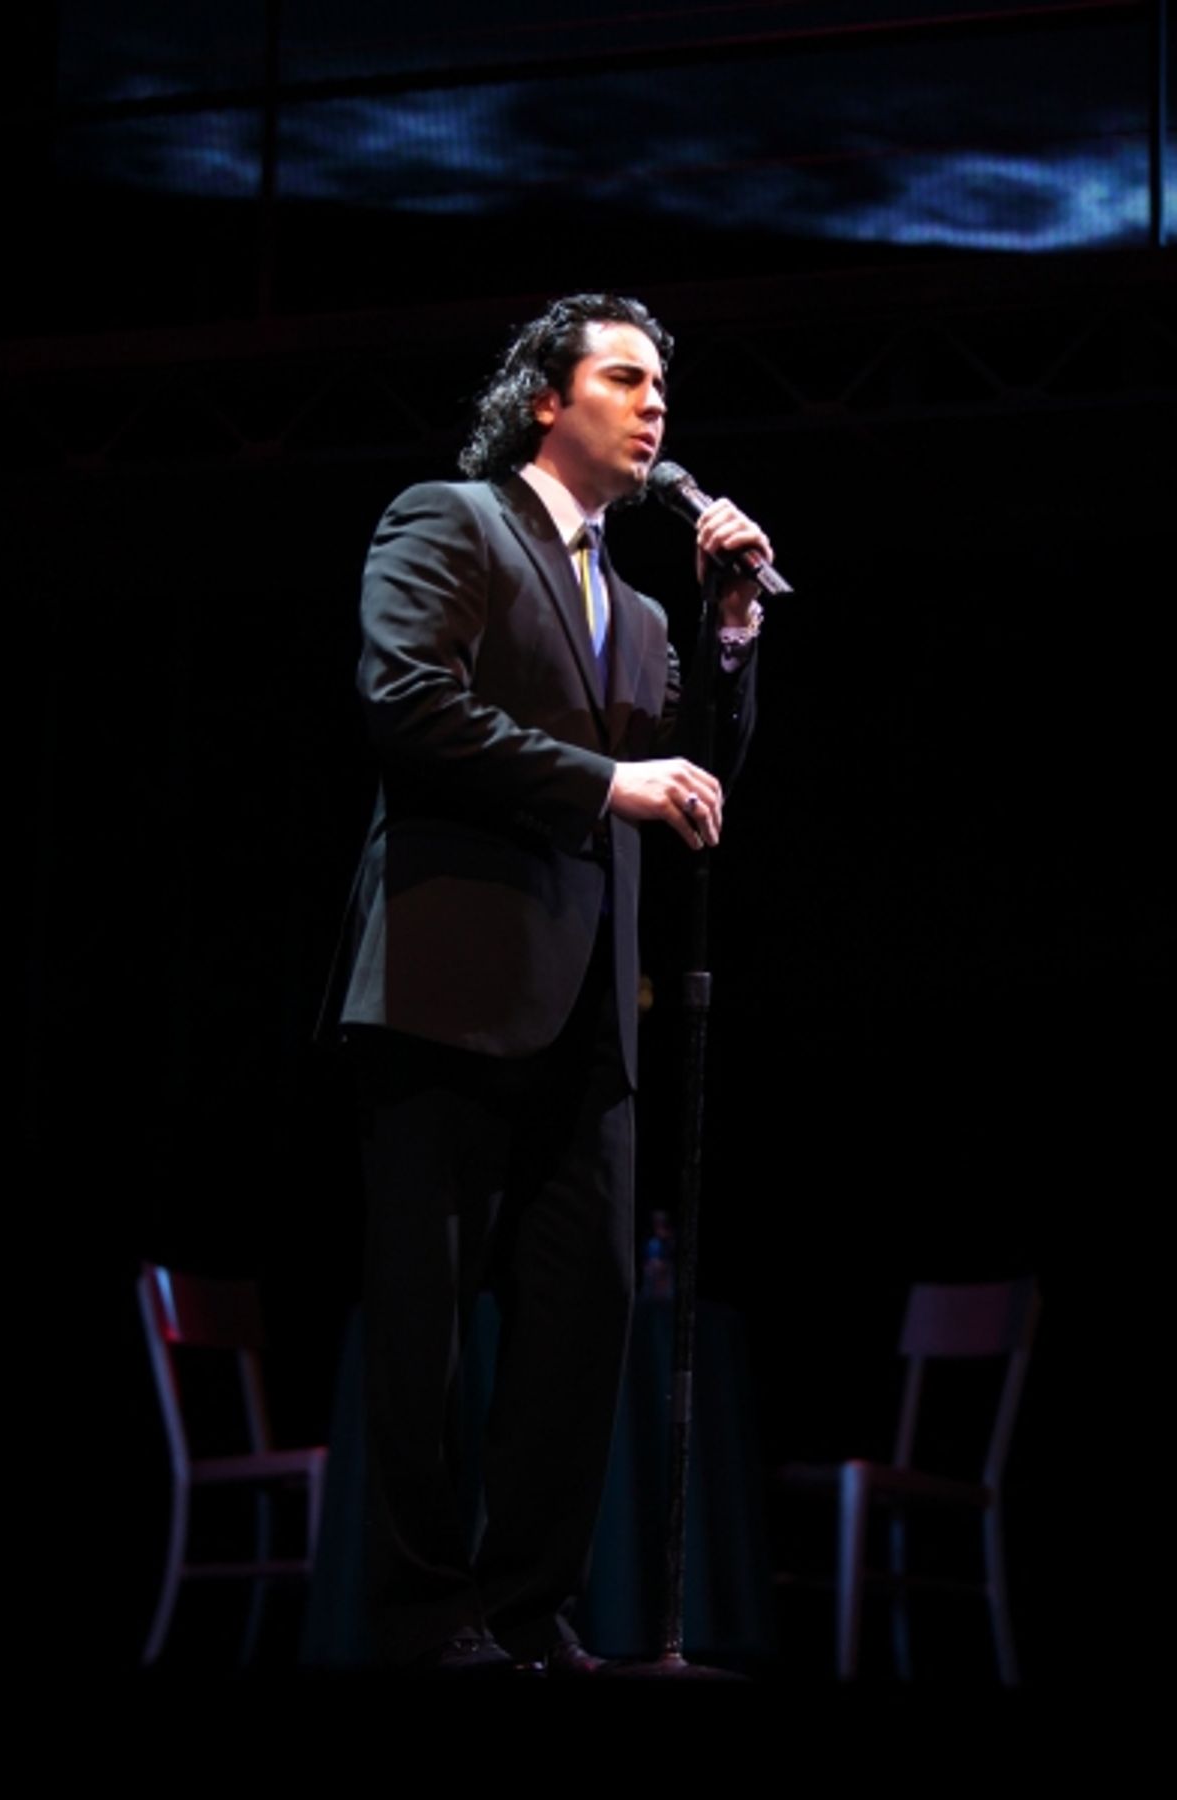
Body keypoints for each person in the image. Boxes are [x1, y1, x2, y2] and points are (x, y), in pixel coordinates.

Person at [323, 293, 772, 1674]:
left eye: (662, 392)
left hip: (592, 1014)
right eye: (625, 381)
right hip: (451, 984)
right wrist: (605, 781)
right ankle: (422, 1620)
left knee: (581, 1331)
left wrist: (735, 637)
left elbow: (689, 790)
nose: (654, 410)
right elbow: (407, 701)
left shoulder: (638, 609)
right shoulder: (448, 522)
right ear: (545, 400)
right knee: (428, 1332)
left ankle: (529, 1614)